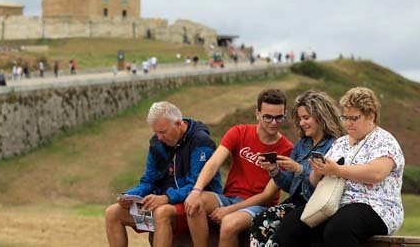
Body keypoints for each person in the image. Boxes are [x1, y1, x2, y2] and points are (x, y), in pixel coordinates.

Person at [275, 87, 405, 247]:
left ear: (371, 116)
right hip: (335, 203)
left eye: (354, 118)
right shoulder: (341, 142)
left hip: (376, 206)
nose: (348, 123)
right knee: (290, 227)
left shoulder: (384, 140)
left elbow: (376, 173)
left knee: (338, 229)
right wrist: (317, 171)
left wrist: (337, 170)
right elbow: (316, 182)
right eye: (345, 117)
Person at [185, 89, 294, 247]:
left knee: (229, 224)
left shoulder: (287, 149)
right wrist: (196, 190)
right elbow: (214, 163)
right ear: (257, 113)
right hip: (229, 197)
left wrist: (229, 210)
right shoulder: (239, 132)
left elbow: (267, 195)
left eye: (279, 117)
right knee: (194, 202)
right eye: (268, 117)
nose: (274, 122)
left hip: (259, 206)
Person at [105, 101, 223, 247]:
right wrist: (129, 195)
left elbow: (197, 185)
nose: (159, 137)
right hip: (164, 203)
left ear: (179, 124)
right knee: (113, 213)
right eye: (156, 132)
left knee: (161, 213)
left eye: (163, 132)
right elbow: (148, 180)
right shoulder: (157, 143)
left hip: (193, 207)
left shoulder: (200, 141)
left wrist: (166, 198)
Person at [249, 90, 345, 247]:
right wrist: (274, 171)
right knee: (260, 221)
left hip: (315, 204)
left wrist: (299, 169)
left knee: (269, 227)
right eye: (300, 119)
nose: (301, 123)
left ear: (321, 117)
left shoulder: (335, 145)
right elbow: (289, 186)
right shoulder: (301, 144)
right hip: (295, 202)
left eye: (306, 118)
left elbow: (324, 186)